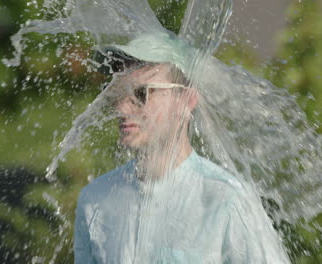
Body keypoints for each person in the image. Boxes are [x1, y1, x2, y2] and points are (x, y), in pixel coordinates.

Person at [74, 35, 289, 263]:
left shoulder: (227, 199)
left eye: (141, 93)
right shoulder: (95, 200)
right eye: (118, 93)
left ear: (186, 99)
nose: (121, 107)